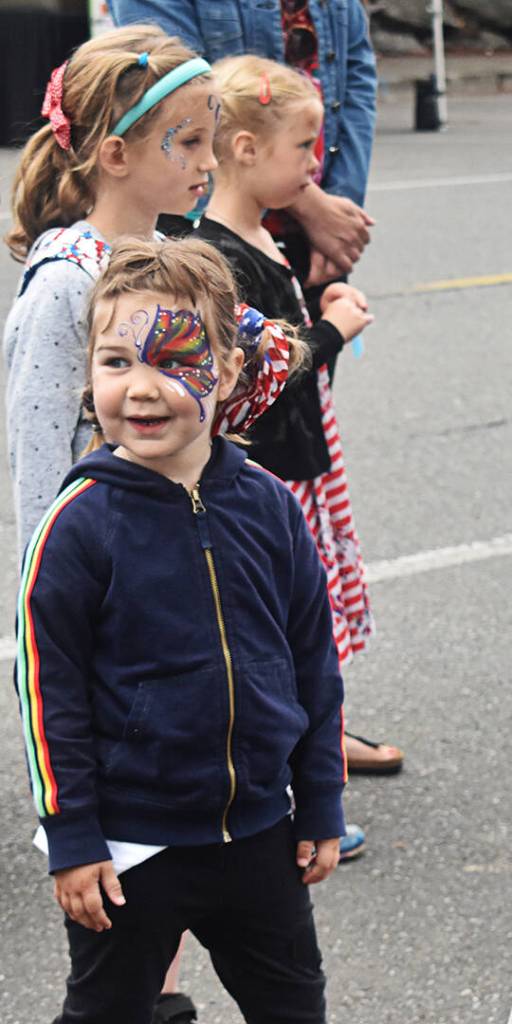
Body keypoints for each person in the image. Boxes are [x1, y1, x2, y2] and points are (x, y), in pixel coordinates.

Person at [15, 233, 346, 1024]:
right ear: (89, 371)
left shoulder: (267, 504)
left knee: (294, 1007)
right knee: (107, 1011)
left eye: (175, 361)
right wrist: (73, 837)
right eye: (117, 362)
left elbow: (312, 659)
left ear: (228, 372)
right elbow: (46, 690)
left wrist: (322, 798)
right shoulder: (77, 524)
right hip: (133, 847)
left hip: (260, 828)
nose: (142, 388)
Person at [187, 53, 402, 766]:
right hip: (268, 474)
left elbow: (300, 371)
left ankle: (320, 737)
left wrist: (326, 318)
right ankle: (289, 761)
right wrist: (331, 329)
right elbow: (260, 382)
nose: (317, 164)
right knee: (278, 616)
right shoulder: (217, 257)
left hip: (307, 459)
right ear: (245, 150)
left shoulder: (267, 239)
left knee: (311, 610)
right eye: (305, 147)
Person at [3, 23, 219, 555]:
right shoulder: (66, 280)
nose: (211, 162)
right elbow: (39, 446)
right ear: (116, 155)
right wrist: (50, 583)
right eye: (190, 142)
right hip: (106, 556)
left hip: (174, 537)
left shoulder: (171, 255)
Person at [107, 0, 377, 295]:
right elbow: (180, 84)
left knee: (309, 331)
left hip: (315, 227)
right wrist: (311, 205)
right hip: (209, 219)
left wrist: (336, 214)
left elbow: (356, 75)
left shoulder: (321, 212)